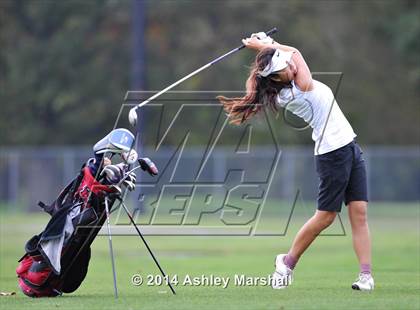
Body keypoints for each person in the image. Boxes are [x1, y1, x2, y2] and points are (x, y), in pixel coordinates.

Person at [217, 33, 373, 291]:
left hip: (349, 146)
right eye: (283, 69)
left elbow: (290, 56)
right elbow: (296, 52)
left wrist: (266, 45)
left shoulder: (288, 80)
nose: (291, 67)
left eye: (287, 65)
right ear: (276, 79)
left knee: (360, 213)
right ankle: (286, 263)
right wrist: (264, 45)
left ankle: (366, 276)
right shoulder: (299, 89)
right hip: (333, 154)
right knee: (326, 217)